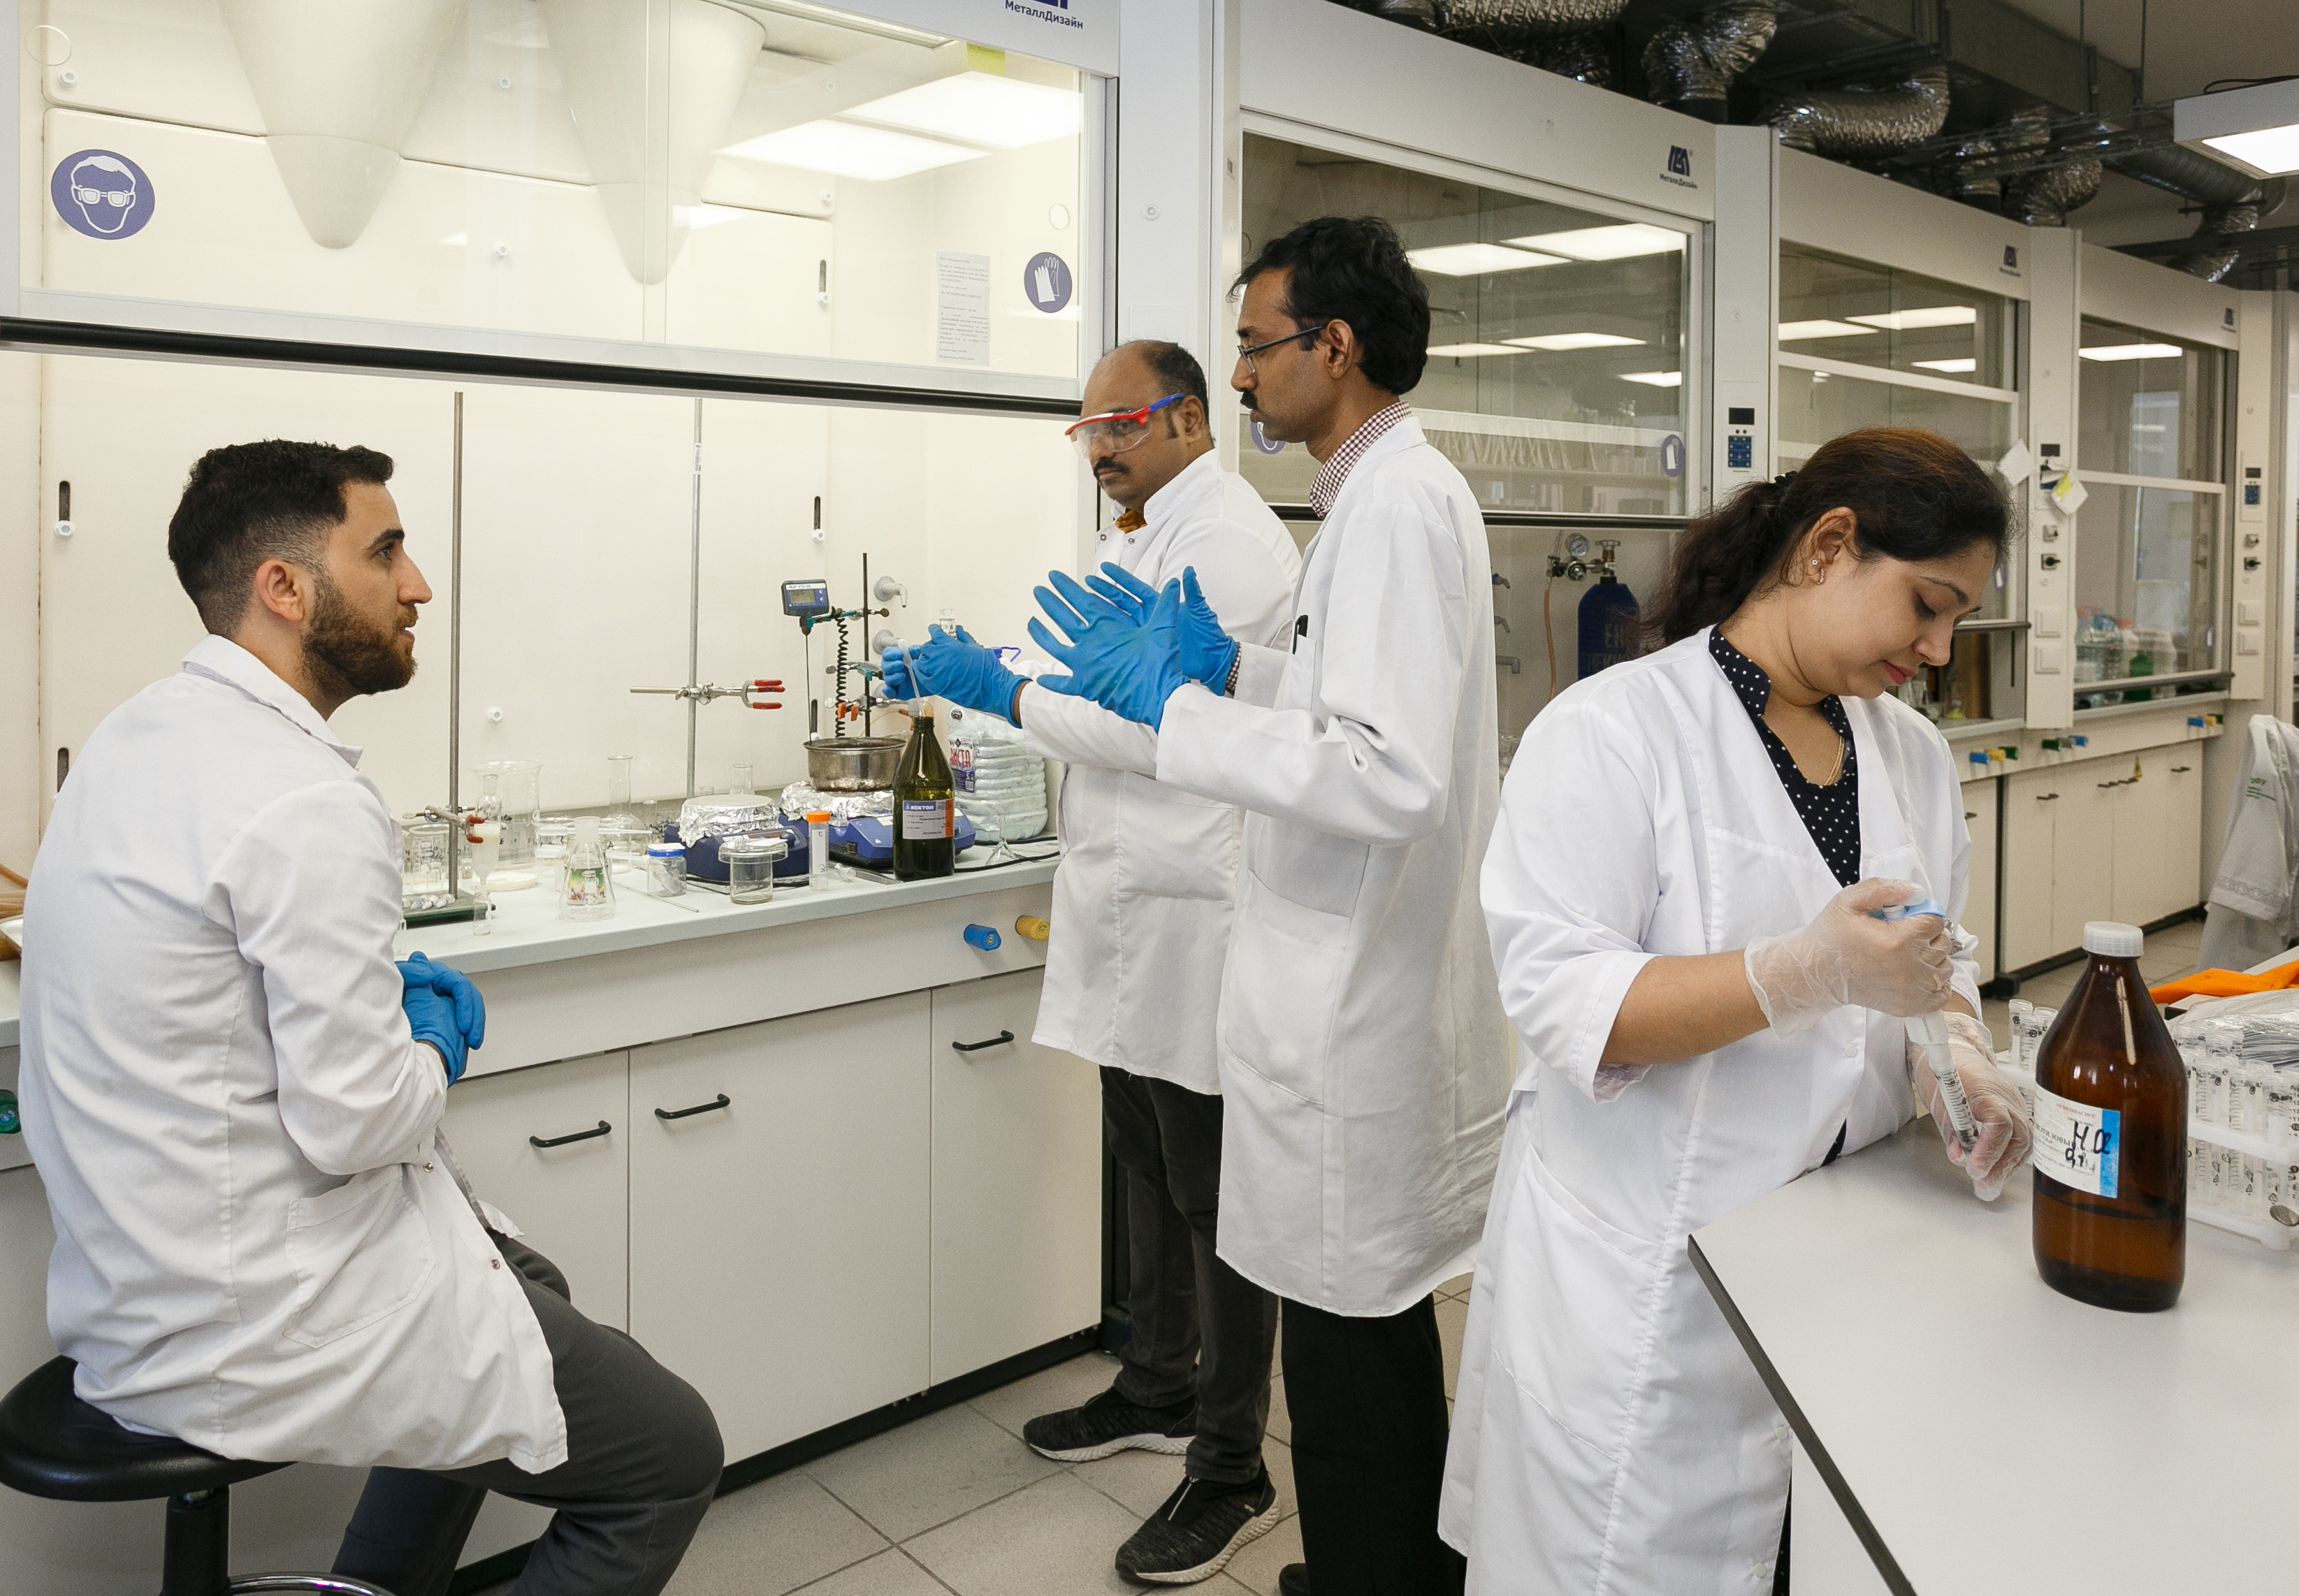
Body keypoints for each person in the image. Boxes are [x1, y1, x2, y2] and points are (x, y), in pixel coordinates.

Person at [18, 440, 722, 1596]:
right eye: (385, 551)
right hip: (255, 1319)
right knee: (669, 1454)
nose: (418, 586)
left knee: (523, 1280)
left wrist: (374, 1007)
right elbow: (357, 1125)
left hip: (139, 1279)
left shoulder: (141, 736)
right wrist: (429, 1043)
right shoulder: (303, 796)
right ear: (284, 588)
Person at [1438, 428, 2036, 1596]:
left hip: (1845, 1261)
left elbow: (1937, 947)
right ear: (1825, 547)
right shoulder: (1611, 731)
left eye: (1956, 619)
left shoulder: (1909, 753)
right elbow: (1568, 1002)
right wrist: (1798, 975)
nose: (1937, 648)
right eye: (1927, 605)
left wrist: (1955, 1051)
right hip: (1653, 1271)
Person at [1022, 216, 1511, 1596]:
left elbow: (1385, 773)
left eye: (1253, 345)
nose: (1239, 375)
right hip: (1341, 979)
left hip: (1354, 989)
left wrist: (1181, 712)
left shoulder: (1397, 507)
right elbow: (1349, 705)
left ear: (1332, 346)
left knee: (1353, 1351)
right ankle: (1378, 1568)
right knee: (1358, 1338)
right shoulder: (1375, 501)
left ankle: (1374, 1579)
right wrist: (1234, 671)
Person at [881, 340, 1301, 1584]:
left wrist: (997, 692)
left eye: (1119, 423)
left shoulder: (1228, 544)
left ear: (1186, 419)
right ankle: (1157, 1387)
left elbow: (1152, 728)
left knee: (1214, 1198)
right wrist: (999, 674)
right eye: (1086, 430)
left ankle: (1232, 1463)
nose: (1099, 446)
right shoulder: (1141, 536)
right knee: (1143, 1163)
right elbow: (1092, 687)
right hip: (1127, 903)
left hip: (1197, 907)